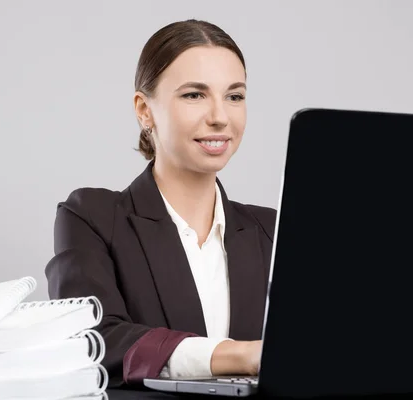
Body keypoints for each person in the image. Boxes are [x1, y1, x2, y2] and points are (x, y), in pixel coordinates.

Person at [45, 19, 277, 388]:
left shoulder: (272, 231)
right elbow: (93, 339)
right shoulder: (93, 218)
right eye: (194, 95)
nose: (219, 117)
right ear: (144, 110)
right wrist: (238, 356)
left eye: (234, 96)